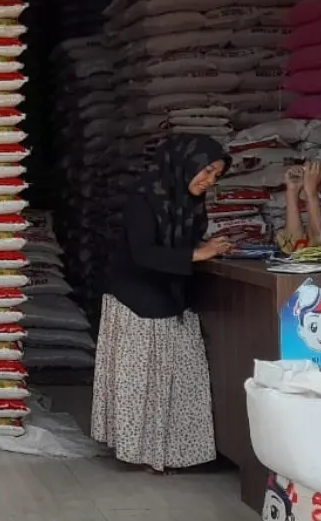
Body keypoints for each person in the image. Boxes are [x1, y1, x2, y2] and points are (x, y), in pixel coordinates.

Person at [93, 133, 232, 471]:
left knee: (184, 379)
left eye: (216, 175)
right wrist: (196, 254)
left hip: (171, 295)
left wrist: (202, 248)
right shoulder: (144, 198)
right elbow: (143, 252)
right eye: (207, 171)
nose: (210, 181)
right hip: (137, 298)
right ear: (185, 164)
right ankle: (142, 453)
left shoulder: (188, 201)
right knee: (142, 384)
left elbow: (184, 238)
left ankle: (179, 453)